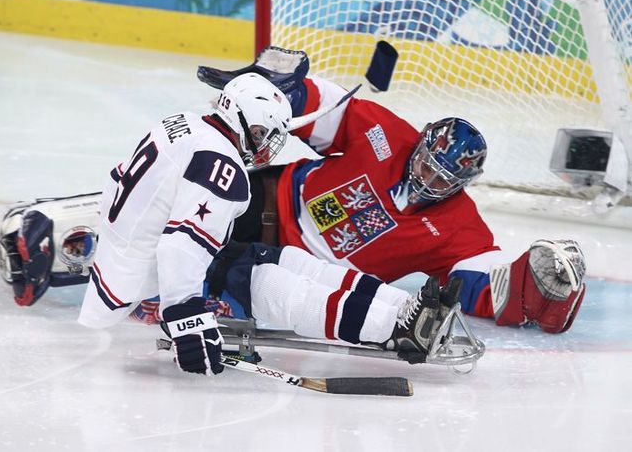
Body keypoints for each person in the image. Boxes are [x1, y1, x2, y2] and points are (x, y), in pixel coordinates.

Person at [0, 71, 462, 375]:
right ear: (241, 120)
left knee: (281, 258)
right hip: (148, 281)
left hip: (134, 256)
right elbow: (181, 250)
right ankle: (390, 326)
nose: (266, 146)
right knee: (268, 282)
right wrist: (186, 319)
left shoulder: (184, 122)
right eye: (263, 133)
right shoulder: (222, 167)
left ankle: (402, 307)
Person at [197, 46, 587, 334]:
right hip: (267, 197)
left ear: (463, 184)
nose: (428, 180)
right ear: (419, 144)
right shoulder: (386, 133)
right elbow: (323, 109)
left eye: (443, 179)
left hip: (297, 266)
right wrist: (279, 91)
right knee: (192, 197)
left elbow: (483, 287)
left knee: (214, 272)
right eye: (426, 165)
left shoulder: (460, 228)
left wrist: (533, 290)